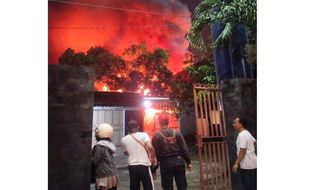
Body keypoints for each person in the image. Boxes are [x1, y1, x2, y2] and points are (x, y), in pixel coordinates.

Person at [152, 112, 192, 190]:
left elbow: (155, 154)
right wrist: (188, 162)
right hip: (179, 162)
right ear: (169, 121)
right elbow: (184, 149)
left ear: (159, 122)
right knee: (182, 186)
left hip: (165, 164)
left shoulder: (156, 136)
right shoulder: (177, 133)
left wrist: (154, 169)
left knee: (167, 187)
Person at [121, 120, 157, 190]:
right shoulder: (144, 135)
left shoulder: (124, 139)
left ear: (128, 128)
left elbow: (125, 152)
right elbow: (150, 147)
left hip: (132, 166)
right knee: (148, 186)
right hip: (144, 165)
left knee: (134, 187)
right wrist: (153, 158)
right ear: (138, 127)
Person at [91, 123, 119, 190]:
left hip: (103, 176)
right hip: (112, 175)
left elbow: (95, 161)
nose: (95, 135)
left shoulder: (100, 146)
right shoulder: (109, 144)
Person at [232, 117, 257, 190]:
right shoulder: (247, 132)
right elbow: (254, 142)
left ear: (241, 124)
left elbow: (243, 150)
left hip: (248, 165)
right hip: (251, 162)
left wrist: (236, 163)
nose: (233, 125)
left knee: (249, 185)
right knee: (252, 184)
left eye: (235, 123)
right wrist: (251, 151)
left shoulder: (242, 135)